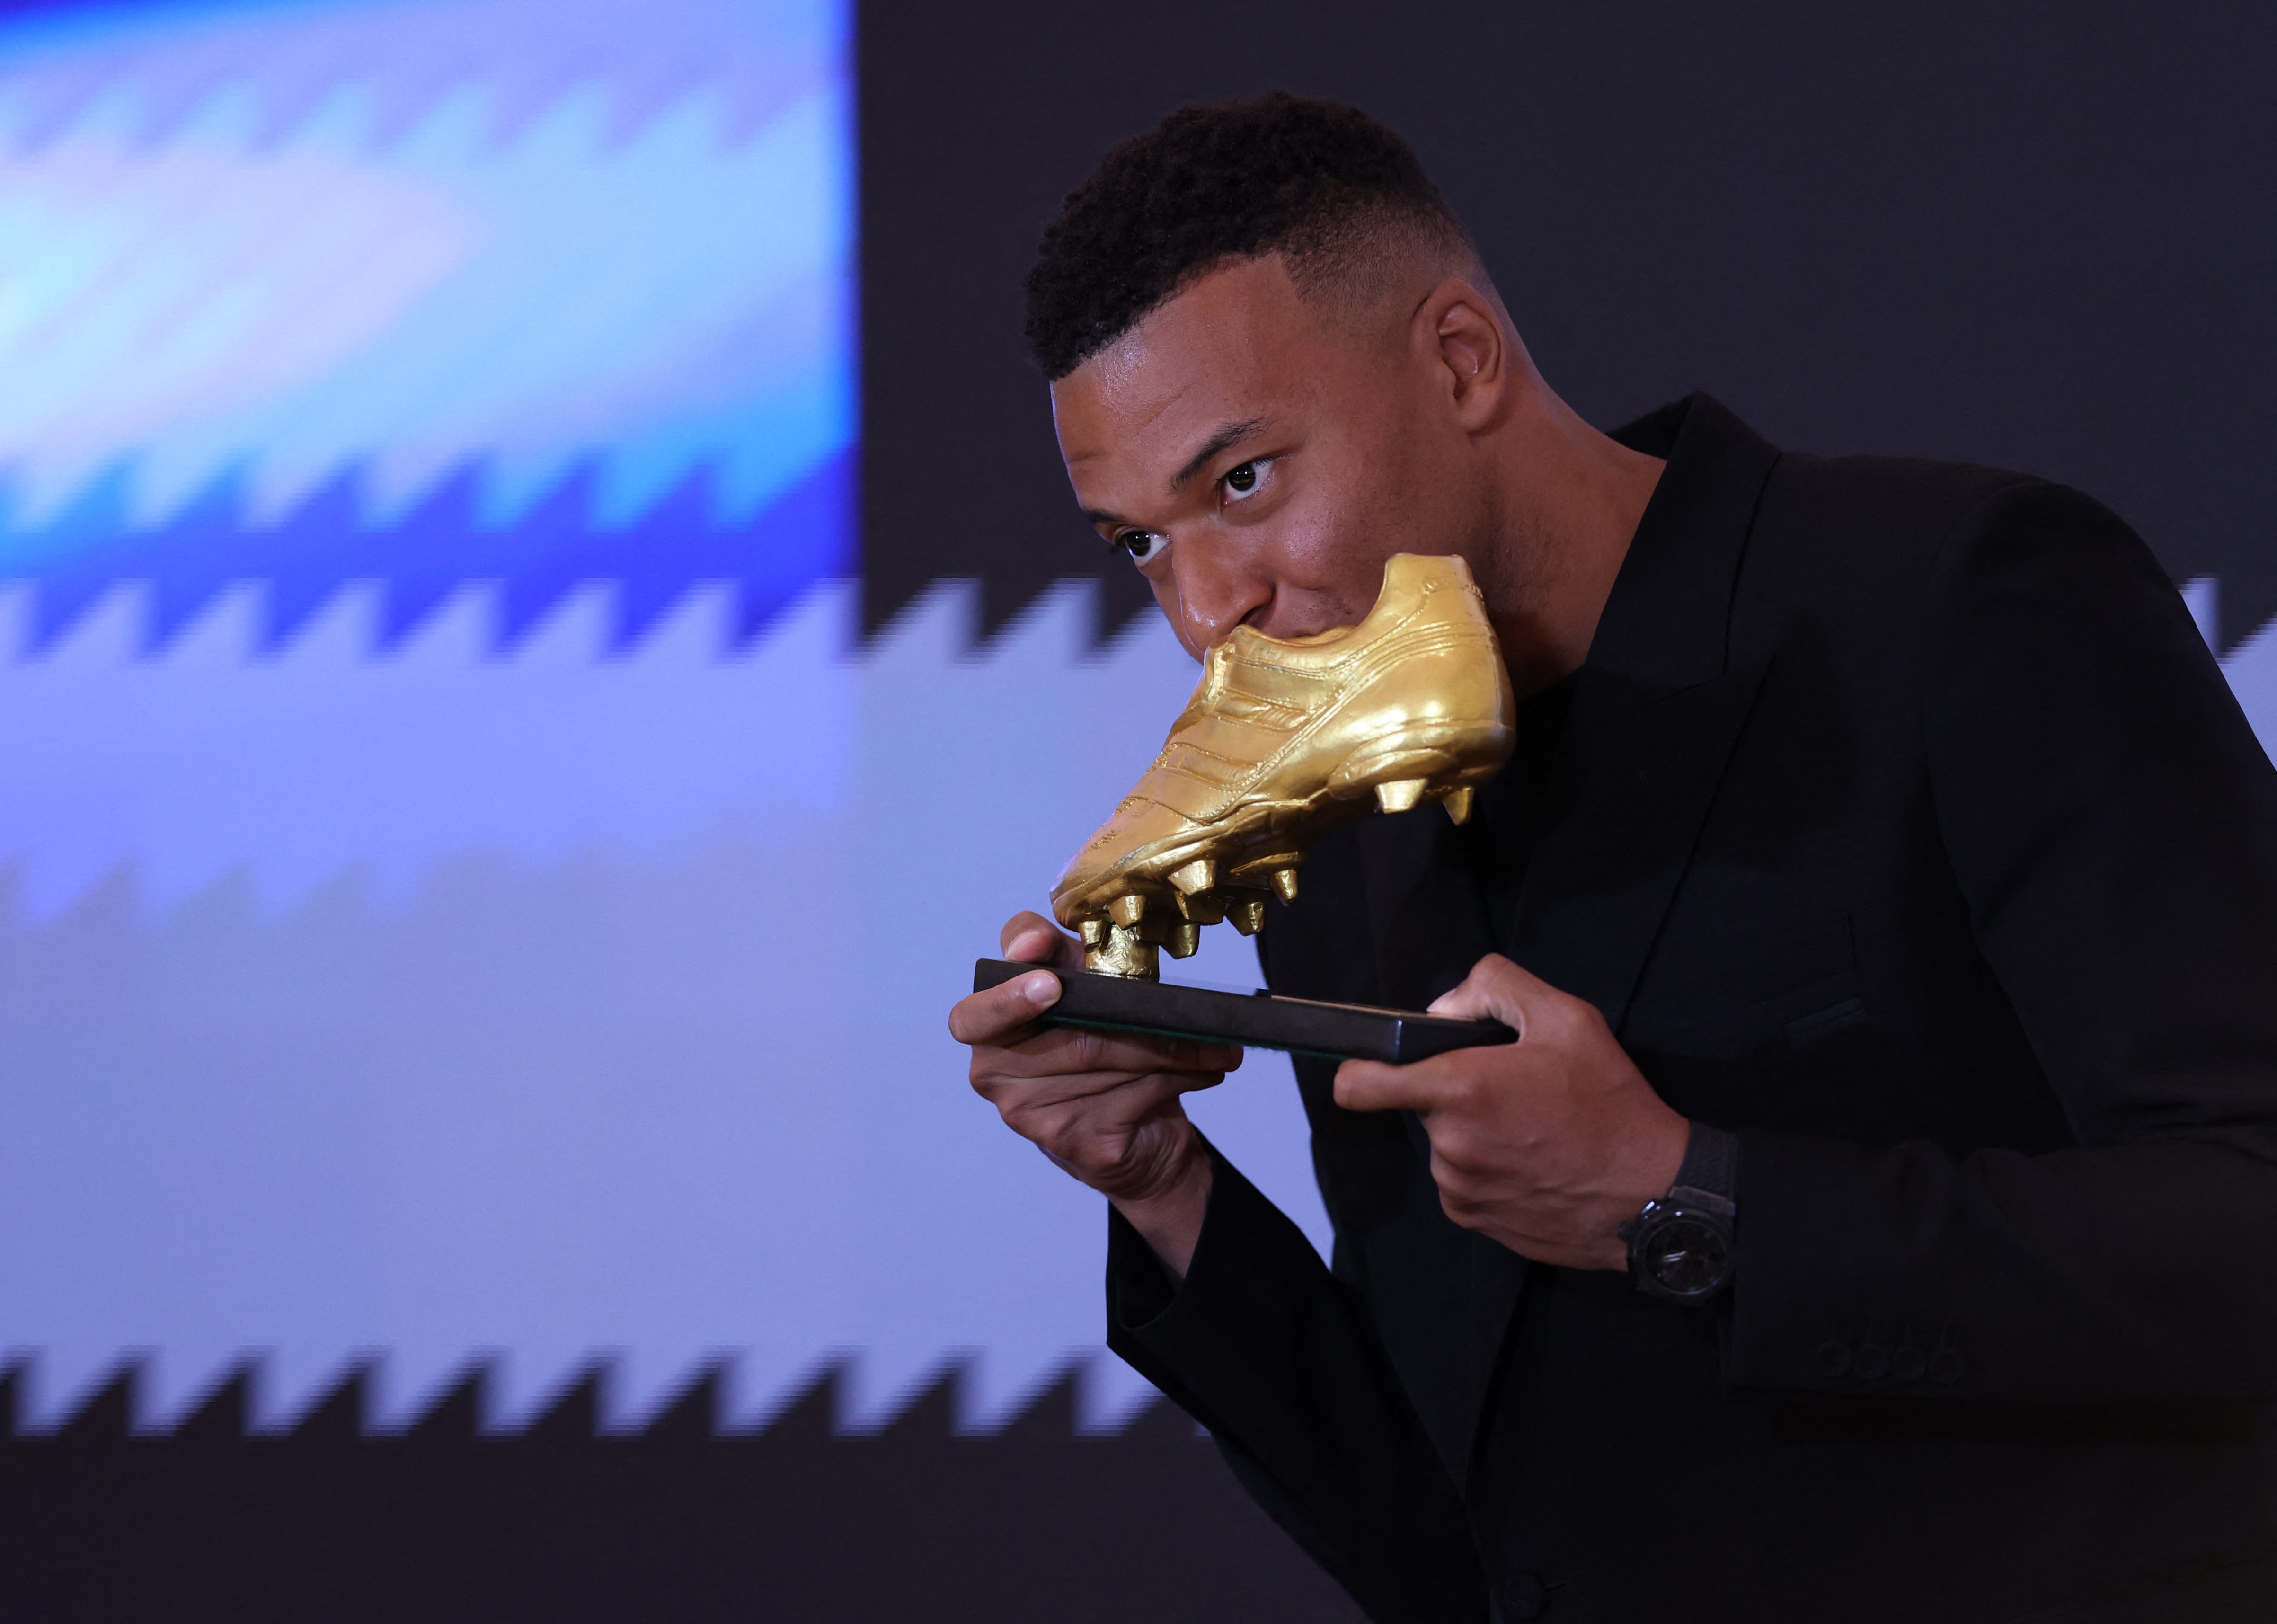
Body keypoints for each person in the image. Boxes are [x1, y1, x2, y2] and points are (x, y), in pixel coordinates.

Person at [947, 94, 2277, 1623]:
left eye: (1241, 481)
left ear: (1460, 360)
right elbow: (1470, 1549)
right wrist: (1165, 1189)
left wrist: (1684, 1198)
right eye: (1138, 544)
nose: (1201, 612)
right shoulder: (1338, 835)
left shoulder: (1959, 601)